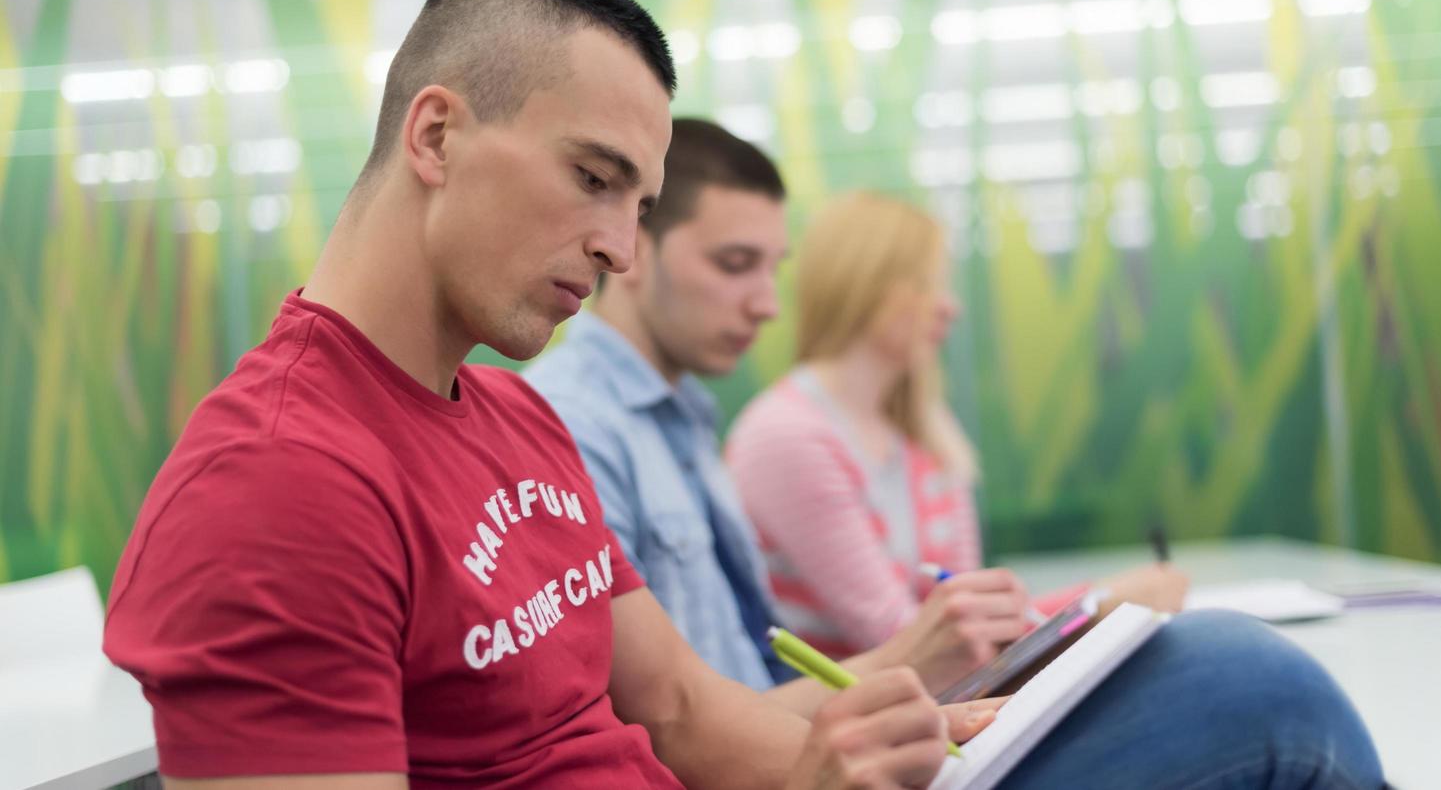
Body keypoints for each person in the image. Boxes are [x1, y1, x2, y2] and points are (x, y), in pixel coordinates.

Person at [102, 0, 973, 790]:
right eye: (593, 177)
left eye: (638, 207)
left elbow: (681, 711)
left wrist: (939, 746)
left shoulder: (519, 417)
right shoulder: (273, 485)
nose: (620, 251)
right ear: (436, 136)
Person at [528, 129, 1384, 787]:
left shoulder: (686, 420)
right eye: (734, 264)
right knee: (1253, 681)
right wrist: (928, 663)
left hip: (839, 743)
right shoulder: (586, 427)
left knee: (1231, 670)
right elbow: (675, 724)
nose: (763, 302)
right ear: (633, 252)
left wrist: (933, 683)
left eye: (771, 269)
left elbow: (721, 696)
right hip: (818, 759)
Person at [725, 190, 1186, 658]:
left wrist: (1101, 605)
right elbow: (907, 643)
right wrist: (1097, 605)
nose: (948, 307)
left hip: (947, 706)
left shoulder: (925, 428)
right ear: (864, 283)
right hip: (865, 719)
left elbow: (973, 627)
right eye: (927, 285)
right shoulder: (785, 436)